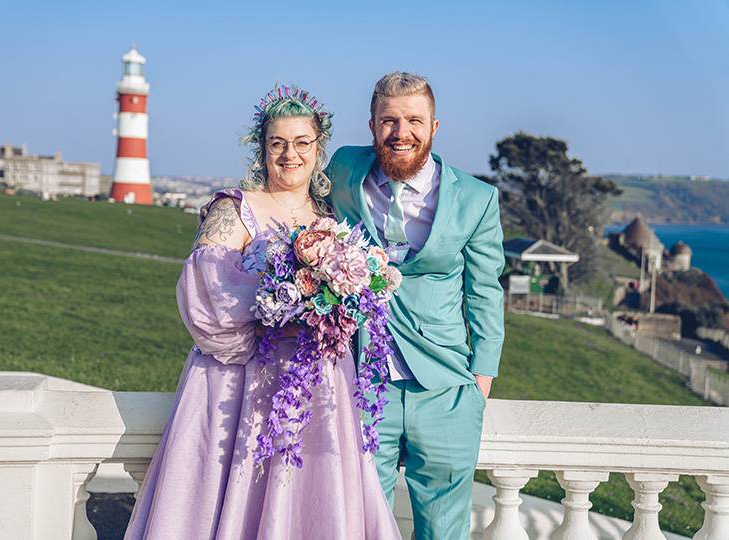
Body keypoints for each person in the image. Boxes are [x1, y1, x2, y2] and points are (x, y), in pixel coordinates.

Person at [124, 87, 401, 540]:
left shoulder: (332, 217)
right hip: (241, 386)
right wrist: (284, 298)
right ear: (262, 150)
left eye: (301, 143)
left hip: (319, 386)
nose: (290, 154)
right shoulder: (234, 208)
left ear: (318, 149)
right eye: (277, 143)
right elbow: (204, 290)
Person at [326, 72, 505, 539]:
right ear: (371, 126)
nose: (401, 132)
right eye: (389, 120)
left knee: (444, 532)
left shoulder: (477, 199)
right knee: (364, 526)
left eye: (413, 120)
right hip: (364, 387)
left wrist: (479, 384)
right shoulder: (344, 169)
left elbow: (485, 292)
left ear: (434, 126)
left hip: (445, 390)